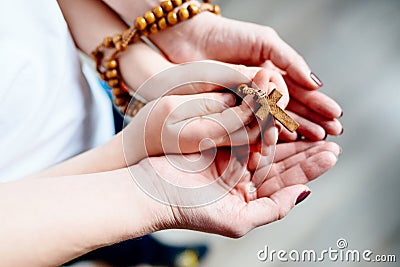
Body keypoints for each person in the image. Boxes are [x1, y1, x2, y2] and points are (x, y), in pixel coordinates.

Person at [0, 0, 342, 265]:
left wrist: (155, 69)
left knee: (132, 243)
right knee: (94, 244)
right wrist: (140, 176)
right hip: (41, 222)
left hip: (85, 105)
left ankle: (146, 253)